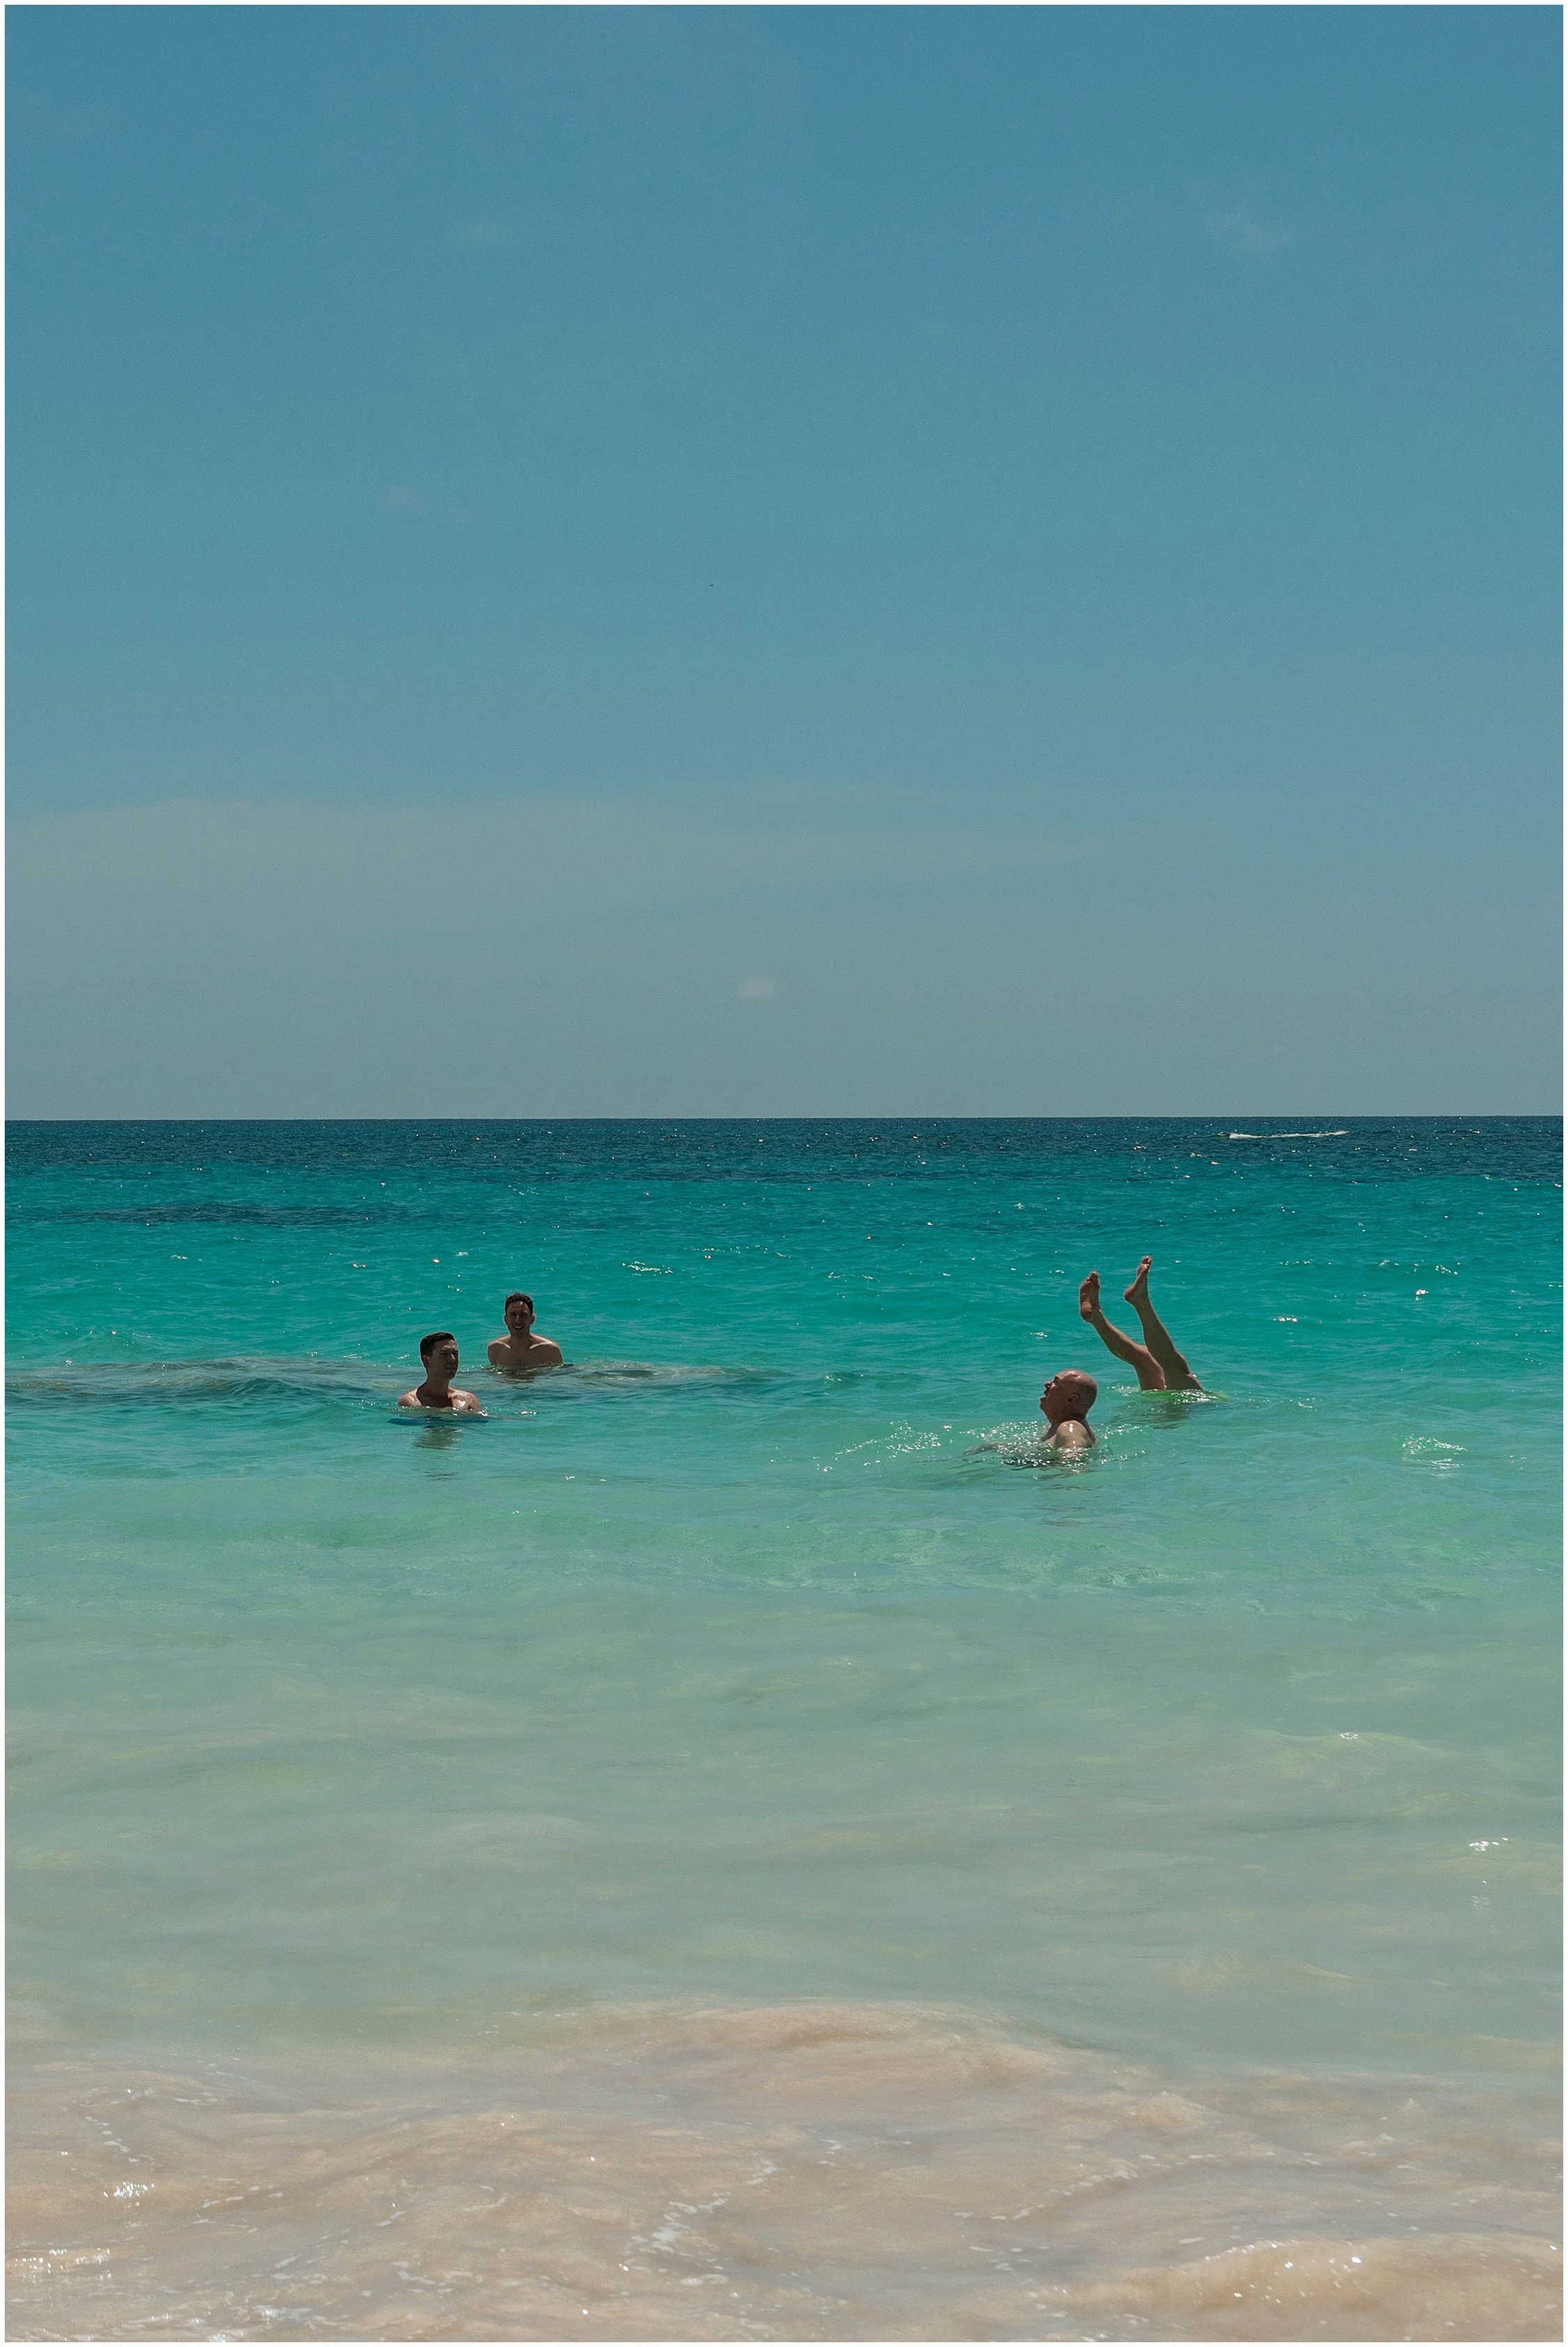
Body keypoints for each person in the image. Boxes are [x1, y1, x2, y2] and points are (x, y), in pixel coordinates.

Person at [1079, 1257, 1204, 1393]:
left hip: (1187, 1410)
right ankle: (1099, 1316)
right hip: (1197, 1410)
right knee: (1149, 1359)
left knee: (1162, 1363)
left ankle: (1102, 1316)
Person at [400, 1331, 486, 1413]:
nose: (453, 1359)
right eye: (444, 1354)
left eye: (455, 1354)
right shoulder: (412, 1402)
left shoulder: (468, 1400)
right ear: (426, 1361)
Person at [487, 1292, 563, 1371]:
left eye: (523, 1315)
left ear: (532, 1319)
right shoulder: (496, 1349)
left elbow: (558, 1379)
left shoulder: (550, 1350)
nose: (518, 1320)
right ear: (506, 1320)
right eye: (513, 1315)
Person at [1040, 1367, 1098, 1451]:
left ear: (1071, 1399)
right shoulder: (1073, 1426)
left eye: (1056, 1382)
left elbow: (1074, 1455)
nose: (1047, 1384)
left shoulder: (1069, 1427)